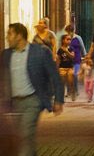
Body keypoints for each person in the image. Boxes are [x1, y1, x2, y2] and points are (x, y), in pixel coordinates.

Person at [1, 22, 65, 156]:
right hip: (14, 103)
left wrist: (58, 100)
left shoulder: (39, 52)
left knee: (25, 134)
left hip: (33, 101)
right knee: (23, 137)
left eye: (10, 34)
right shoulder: (6, 55)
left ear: (19, 36)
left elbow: (55, 76)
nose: (7, 38)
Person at [63, 24, 86, 100]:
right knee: (68, 75)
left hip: (76, 59)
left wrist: (85, 56)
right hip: (68, 59)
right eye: (68, 32)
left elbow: (82, 47)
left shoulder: (78, 38)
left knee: (75, 75)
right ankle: (69, 91)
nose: (69, 33)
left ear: (73, 31)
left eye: (70, 31)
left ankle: (75, 91)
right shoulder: (65, 38)